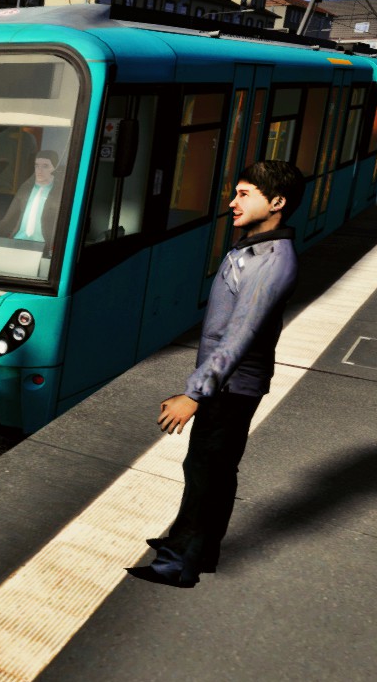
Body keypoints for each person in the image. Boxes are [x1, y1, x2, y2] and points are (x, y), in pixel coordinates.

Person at [128, 159, 305, 589]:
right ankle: (201, 549)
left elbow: (239, 336)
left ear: (277, 202)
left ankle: (177, 563)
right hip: (227, 383)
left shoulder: (271, 263)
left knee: (206, 471)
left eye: (244, 194)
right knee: (214, 470)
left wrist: (194, 393)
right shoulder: (251, 249)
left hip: (232, 386)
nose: (232, 202)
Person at [0, 152, 62, 242]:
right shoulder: (25, 190)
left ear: (54, 168)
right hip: (18, 240)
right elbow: (7, 220)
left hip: (45, 244)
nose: (39, 170)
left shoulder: (60, 193)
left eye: (45, 166)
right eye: (37, 166)